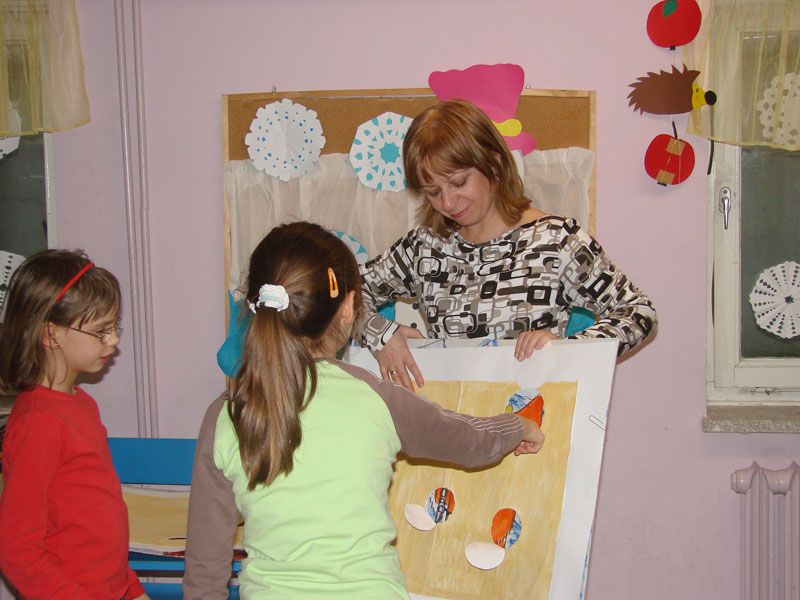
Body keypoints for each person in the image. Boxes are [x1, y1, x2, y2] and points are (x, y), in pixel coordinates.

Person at [183, 222, 545, 599]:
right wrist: (518, 426)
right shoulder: (373, 397)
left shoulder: (225, 415)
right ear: (348, 308)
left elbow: (204, 572)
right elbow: (468, 441)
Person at [359, 100, 658, 391]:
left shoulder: (556, 241)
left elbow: (638, 312)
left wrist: (567, 350)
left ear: (494, 164)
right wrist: (381, 335)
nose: (448, 202)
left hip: (533, 418)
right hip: (451, 420)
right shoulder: (424, 247)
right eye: (433, 192)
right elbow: (346, 292)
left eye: (459, 182)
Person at [0, 250, 148, 600]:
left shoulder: (81, 403)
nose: (113, 340)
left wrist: (130, 588)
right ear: (50, 334)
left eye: (114, 327)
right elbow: (17, 550)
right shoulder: (40, 424)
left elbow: (94, 523)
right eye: (101, 331)